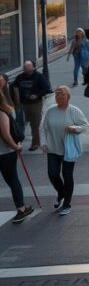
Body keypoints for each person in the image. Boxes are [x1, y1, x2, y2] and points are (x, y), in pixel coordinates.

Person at [40, 86, 89, 216]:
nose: (58, 99)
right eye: (57, 96)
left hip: (69, 150)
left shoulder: (74, 111)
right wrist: (43, 143)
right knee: (53, 174)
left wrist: (74, 128)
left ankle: (67, 203)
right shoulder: (51, 111)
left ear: (68, 97)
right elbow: (43, 128)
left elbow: (85, 125)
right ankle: (61, 193)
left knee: (67, 175)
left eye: (61, 96)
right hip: (53, 148)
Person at [0, 89, 33, 223]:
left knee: (11, 180)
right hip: (5, 153)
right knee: (13, 180)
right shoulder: (2, 113)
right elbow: (6, 135)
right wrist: (16, 146)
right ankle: (21, 208)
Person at [12, 61, 52, 151]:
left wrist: (37, 95)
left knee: (35, 124)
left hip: (35, 104)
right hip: (23, 104)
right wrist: (17, 100)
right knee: (20, 123)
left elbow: (47, 88)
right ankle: (18, 141)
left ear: (32, 68)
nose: (27, 72)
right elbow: (14, 86)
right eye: (25, 70)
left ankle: (35, 143)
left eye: (28, 70)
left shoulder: (39, 76)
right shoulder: (20, 77)